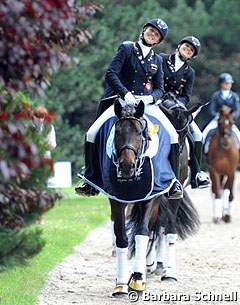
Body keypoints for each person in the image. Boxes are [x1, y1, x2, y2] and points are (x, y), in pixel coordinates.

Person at [75, 18, 183, 199]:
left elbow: (160, 89)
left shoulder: (156, 59)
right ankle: (90, 180)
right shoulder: (126, 48)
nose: (152, 34)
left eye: (156, 34)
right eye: (150, 30)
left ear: (158, 40)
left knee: (172, 134)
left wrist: (150, 98)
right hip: (121, 102)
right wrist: (126, 94)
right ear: (144, 30)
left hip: (145, 105)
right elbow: (111, 74)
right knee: (92, 133)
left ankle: (173, 182)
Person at [160, 36, 210, 189]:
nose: (187, 50)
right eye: (186, 46)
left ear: (192, 56)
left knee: (197, 134)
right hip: (157, 101)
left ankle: (196, 174)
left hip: (175, 106)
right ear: (179, 46)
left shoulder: (190, 72)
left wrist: (178, 106)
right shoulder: (161, 59)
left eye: (191, 50)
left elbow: (186, 96)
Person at [202, 72, 240, 151]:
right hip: (218, 119)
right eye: (226, 83)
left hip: (229, 120)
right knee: (205, 133)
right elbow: (212, 109)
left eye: (229, 83)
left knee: (238, 135)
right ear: (221, 84)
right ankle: (204, 151)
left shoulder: (234, 96)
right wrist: (217, 115)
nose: (228, 85)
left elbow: (237, 110)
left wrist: (232, 116)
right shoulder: (216, 95)